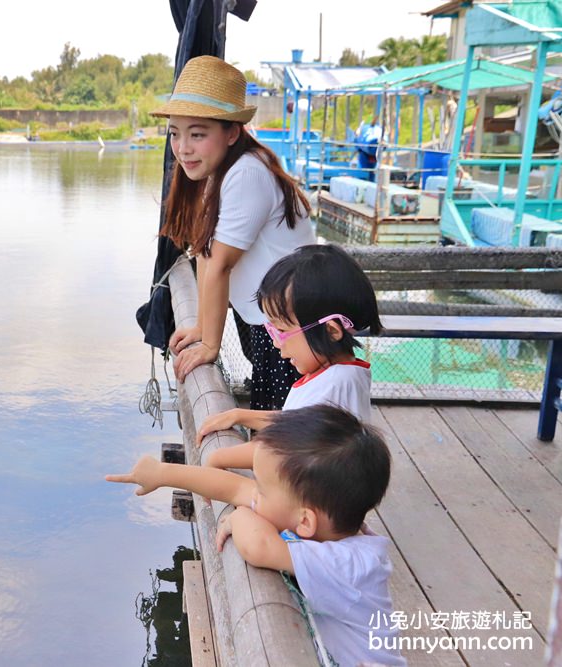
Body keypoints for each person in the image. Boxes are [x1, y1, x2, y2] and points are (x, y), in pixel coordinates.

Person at [106, 405, 405, 667]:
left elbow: (258, 545)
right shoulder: (322, 526)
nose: (254, 494)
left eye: (261, 489)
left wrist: (239, 516)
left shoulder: (347, 564)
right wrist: (163, 473)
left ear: (305, 521)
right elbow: (235, 488)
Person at [153, 56, 315, 409]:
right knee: (275, 433)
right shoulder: (223, 172)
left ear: (232, 131)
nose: (183, 148)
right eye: (175, 134)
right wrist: (199, 328)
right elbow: (208, 254)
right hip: (269, 321)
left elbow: (220, 263)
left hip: (291, 330)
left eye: (197, 134)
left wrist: (209, 344)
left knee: (283, 440)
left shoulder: (246, 173)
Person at [197, 244, 383, 469]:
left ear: (331, 331)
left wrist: (216, 458)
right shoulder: (340, 373)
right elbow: (295, 422)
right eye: (272, 330)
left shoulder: (333, 386)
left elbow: (282, 447)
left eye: (282, 331)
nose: (276, 342)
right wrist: (239, 415)